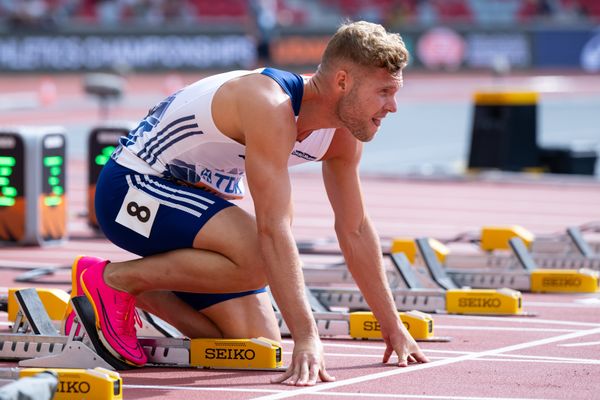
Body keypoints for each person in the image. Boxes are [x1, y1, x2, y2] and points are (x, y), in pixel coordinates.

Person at [67, 20, 429, 386]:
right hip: (129, 188)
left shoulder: (342, 136)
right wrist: (306, 338)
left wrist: (392, 325)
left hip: (187, 206)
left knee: (253, 346)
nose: (393, 106)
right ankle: (111, 280)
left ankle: (145, 292)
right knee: (259, 255)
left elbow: (355, 228)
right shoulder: (269, 104)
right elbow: (273, 229)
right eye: (384, 91)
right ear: (342, 81)